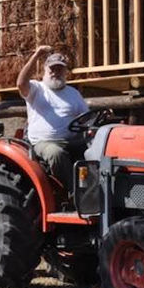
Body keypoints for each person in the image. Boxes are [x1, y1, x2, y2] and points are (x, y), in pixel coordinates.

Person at [17, 45, 88, 189]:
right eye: (52, 69)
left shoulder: (73, 94)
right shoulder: (36, 89)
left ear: (65, 72)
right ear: (45, 70)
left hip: (71, 140)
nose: (55, 72)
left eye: (59, 69)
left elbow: (85, 117)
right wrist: (36, 55)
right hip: (43, 142)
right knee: (56, 154)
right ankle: (75, 193)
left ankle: (97, 189)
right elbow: (20, 83)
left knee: (95, 150)